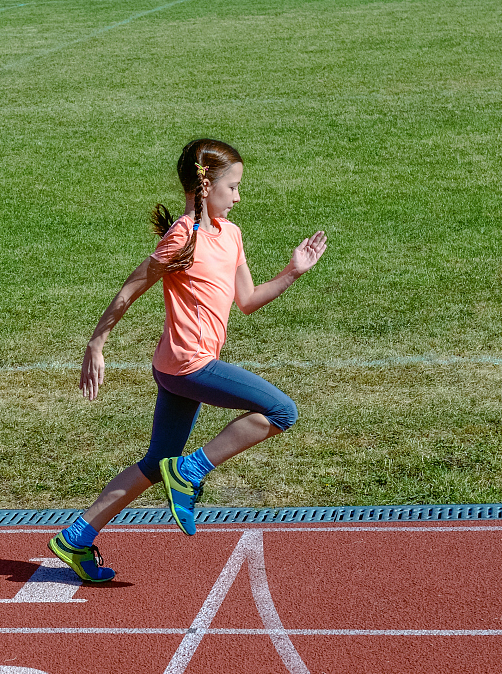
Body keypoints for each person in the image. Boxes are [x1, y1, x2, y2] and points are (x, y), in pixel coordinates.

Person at [48, 138, 327, 582]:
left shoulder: (230, 234)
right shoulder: (184, 235)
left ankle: (77, 537)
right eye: (232, 187)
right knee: (281, 410)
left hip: (178, 367)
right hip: (187, 364)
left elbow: (249, 301)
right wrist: (95, 343)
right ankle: (191, 470)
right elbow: (130, 288)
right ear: (206, 185)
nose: (238, 197)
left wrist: (292, 271)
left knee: (155, 461)